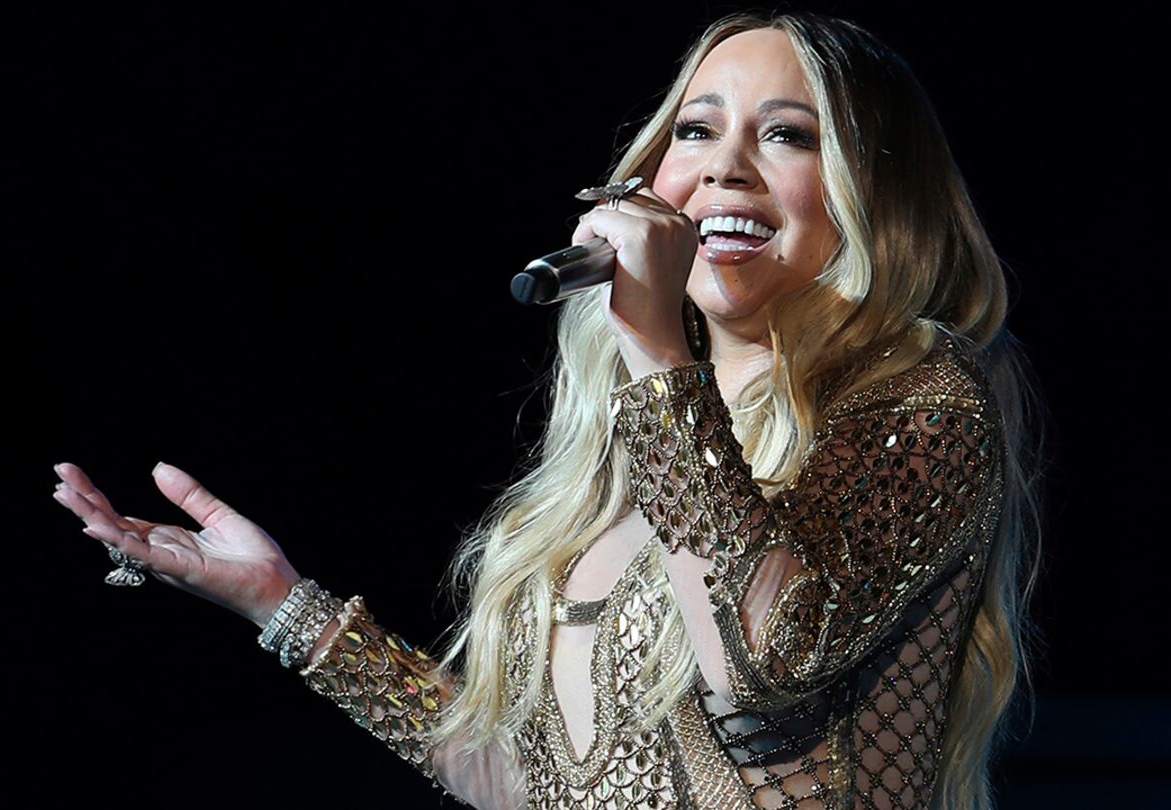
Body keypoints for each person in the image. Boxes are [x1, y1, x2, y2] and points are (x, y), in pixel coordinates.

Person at [51, 10, 1045, 809]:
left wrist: (657, 353)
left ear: (876, 191)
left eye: (785, 135)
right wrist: (282, 604)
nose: (724, 167)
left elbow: (762, 659)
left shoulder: (920, 402)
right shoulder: (629, 452)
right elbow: (539, 786)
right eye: (696, 130)